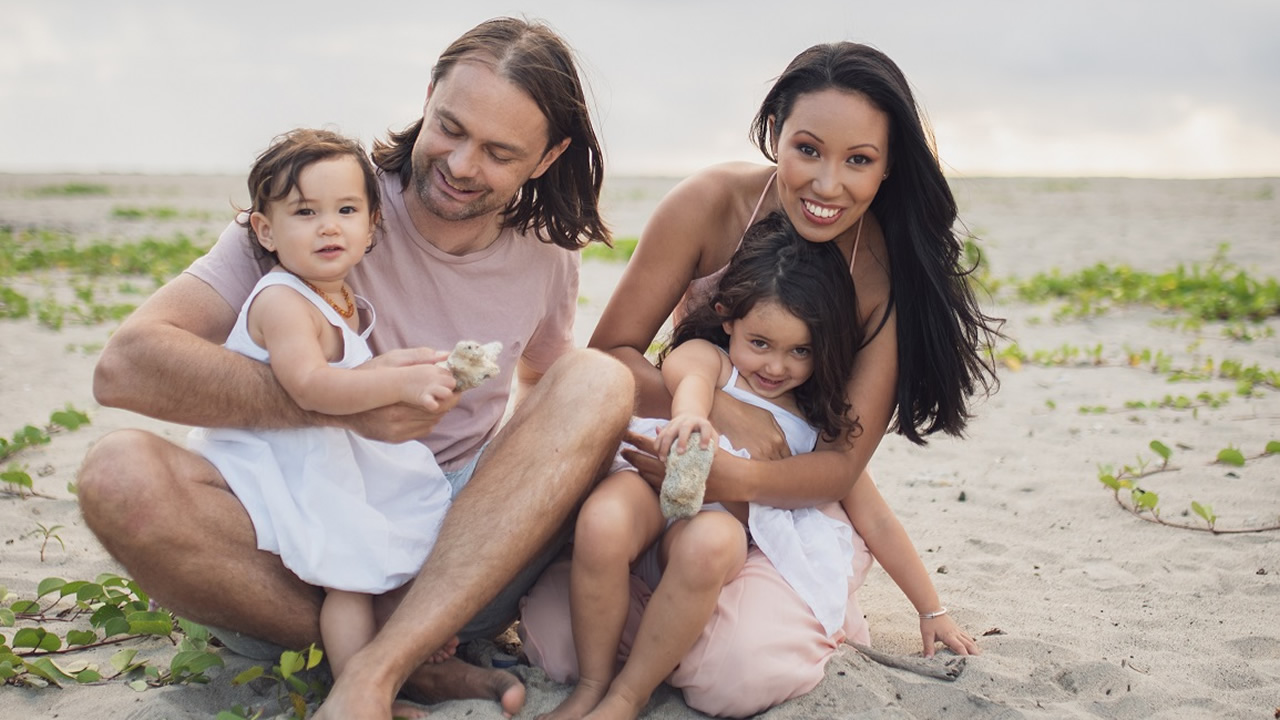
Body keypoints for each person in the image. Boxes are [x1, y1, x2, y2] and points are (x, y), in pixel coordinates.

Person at [77, 18, 633, 720]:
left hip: (448, 557)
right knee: (116, 474)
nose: (462, 165)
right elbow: (125, 369)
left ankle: (382, 661)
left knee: (600, 379)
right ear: (428, 95)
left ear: (548, 155)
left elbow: (548, 395)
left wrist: (490, 517)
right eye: (450, 128)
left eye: (498, 152)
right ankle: (404, 663)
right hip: (296, 539)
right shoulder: (325, 200)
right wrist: (337, 403)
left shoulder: (546, 253)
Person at [523, 41, 1000, 717]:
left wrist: (733, 478)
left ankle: (714, 637)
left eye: (859, 161)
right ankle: (654, 646)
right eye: (808, 149)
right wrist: (728, 412)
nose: (827, 184)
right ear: (776, 131)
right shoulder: (713, 204)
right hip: (675, 471)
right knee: (558, 635)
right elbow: (611, 361)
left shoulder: (883, 281)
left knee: (736, 678)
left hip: (781, 501)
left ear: (888, 167)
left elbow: (839, 469)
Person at [528, 212, 876, 720]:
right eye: (761, 343)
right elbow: (684, 378)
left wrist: (931, 609)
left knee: (711, 543)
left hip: (715, 524)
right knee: (602, 523)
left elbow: (873, 513)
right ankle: (592, 684)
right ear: (728, 319)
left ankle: (627, 696)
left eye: (800, 350)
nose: (776, 366)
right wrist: (693, 419)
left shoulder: (810, 419)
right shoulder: (712, 360)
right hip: (653, 483)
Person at [185, 127, 464, 718]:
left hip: (324, 452)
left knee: (390, 537)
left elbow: (348, 370)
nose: (329, 226)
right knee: (348, 574)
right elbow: (309, 386)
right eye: (304, 212)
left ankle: (400, 654)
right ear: (265, 230)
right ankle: (359, 686)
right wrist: (397, 382)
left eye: (345, 210)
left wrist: (399, 366)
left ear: (371, 226)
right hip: (282, 462)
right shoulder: (281, 299)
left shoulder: (337, 296)